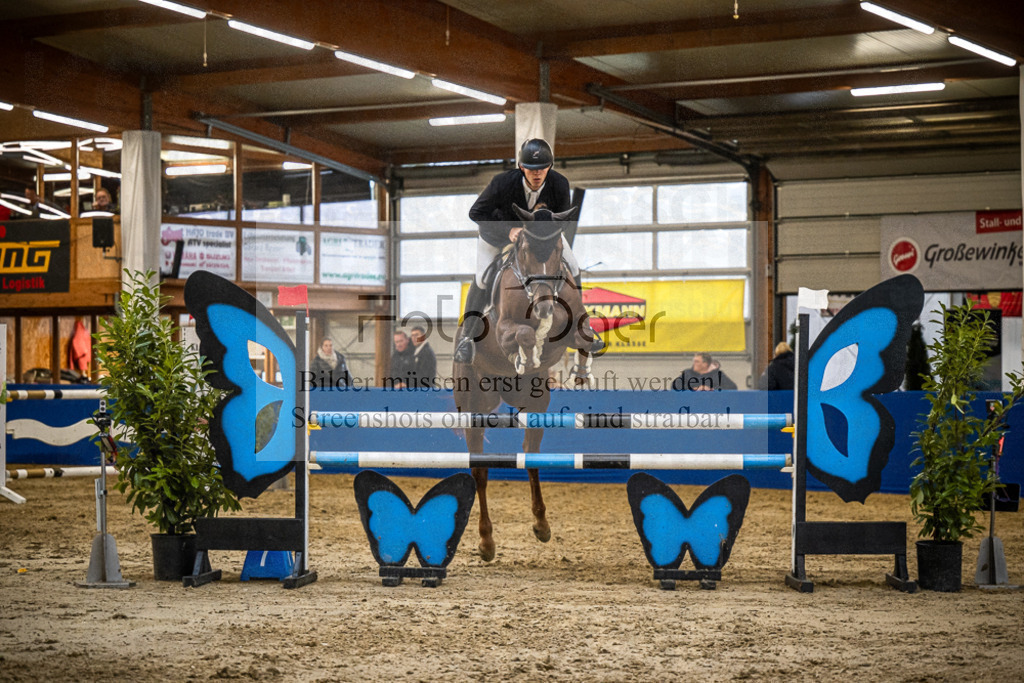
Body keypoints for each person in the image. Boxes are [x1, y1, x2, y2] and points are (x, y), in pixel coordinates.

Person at [454, 138, 602, 363]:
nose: (537, 173)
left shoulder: (559, 183)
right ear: (521, 167)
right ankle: (467, 338)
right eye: (532, 168)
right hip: (496, 236)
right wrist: (508, 230)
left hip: (542, 236)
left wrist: (545, 233)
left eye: (542, 168)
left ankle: (581, 324)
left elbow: (563, 220)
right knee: (483, 278)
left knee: (573, 265)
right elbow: (476, 213)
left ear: (549, 167)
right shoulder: (502, 183)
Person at [673, 352, 737, 391]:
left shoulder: (718, 374)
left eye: (697, 362)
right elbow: (675, 386)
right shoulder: (687, 373)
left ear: (705, 364)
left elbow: (732, 387)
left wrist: (711, 389)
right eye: (694, 361)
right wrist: (694, 389)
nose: (694, 364)